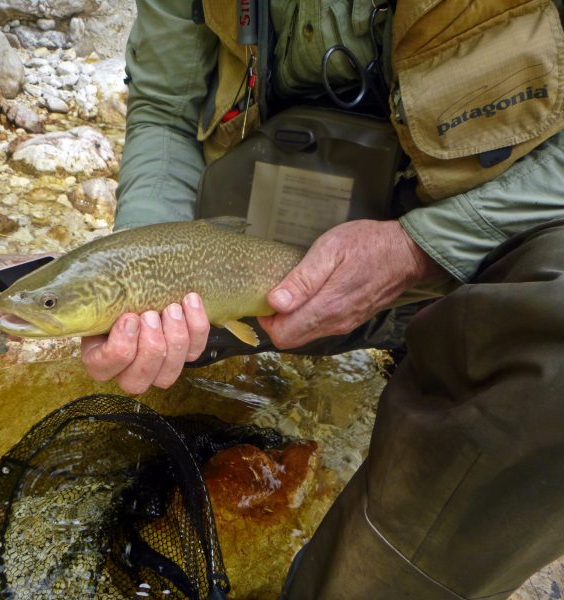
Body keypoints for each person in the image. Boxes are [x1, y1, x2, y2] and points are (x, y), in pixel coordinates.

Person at [81, 0, 564, 597]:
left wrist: (421, 247)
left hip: (478, 255)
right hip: (258, 268)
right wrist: (142, 264)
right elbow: (165, 109)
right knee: (139, 351)